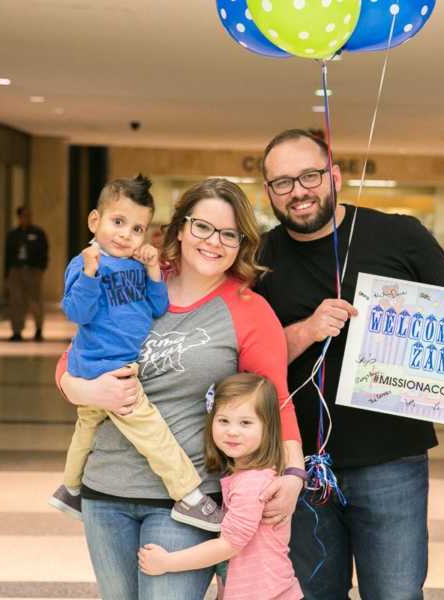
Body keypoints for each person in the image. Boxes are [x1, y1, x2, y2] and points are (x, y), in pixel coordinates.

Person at [254, 129, 444, 600]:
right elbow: (248, 360)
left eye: (310, 175)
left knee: (396, 594)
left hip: (391, 460)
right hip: (298, 464)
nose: (298, 190)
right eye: (282, 182)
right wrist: (306, 330)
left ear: (333, 174)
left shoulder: (399, 234)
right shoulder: (259, 258)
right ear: (269, 192)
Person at [55, 178, 306, 600]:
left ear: (242, 243)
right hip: (105, 490)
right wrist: (88, 392)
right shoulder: (135, 281)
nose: (214, 242)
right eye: (202, 227)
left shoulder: (249, 311)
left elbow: (275, 399)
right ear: (179, 229)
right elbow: (72, 360)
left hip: (187, 499)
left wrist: (295, 474)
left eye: (230, 234)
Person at [49, 175, 224, 532]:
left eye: (137, 228)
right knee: (152, 431)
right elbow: (77, 313)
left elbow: (157, 306)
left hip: (116, 364)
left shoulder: (134, 266)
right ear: (94, 221)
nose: (126, 234)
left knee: (86, 429)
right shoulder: (86, 263)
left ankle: (69, 489)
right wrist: (91, 274)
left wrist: (151, 270)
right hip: (106, 368)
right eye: (118, 222)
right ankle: (189, 495)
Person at [138, 373, 303, 600]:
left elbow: (229, 545)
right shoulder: (242, 475)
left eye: (245, 423)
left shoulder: (252, 483)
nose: (232, 431)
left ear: (268, 427)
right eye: (223, 420)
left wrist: (167, 562)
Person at [5, 206, 48, 341]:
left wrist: (41, 268)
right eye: (23, 216)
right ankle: (17, 330)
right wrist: (7, 272)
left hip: (33, 270)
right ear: (19, 217)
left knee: (35, 299)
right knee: (16, 301)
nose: (26, 218)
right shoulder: (13, 234)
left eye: (28, 215)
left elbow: (44, 252)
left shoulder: (38, 233)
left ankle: (38, 328)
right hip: (16, 270)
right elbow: (7, 254)